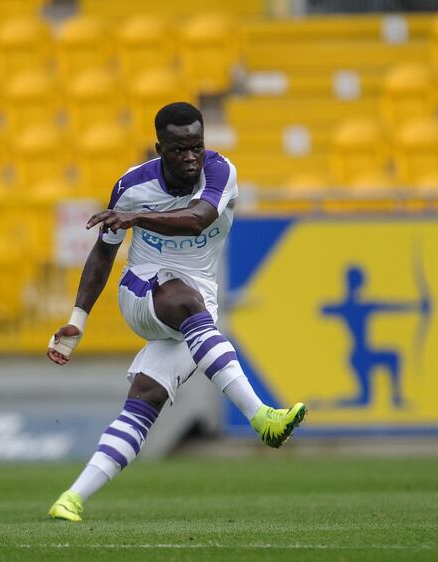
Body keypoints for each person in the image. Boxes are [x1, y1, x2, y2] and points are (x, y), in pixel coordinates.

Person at [45, 102, 307, 522]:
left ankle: (71, 499)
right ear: (158, 148)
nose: (191, 157)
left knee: (145, 399)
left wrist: (136, 218)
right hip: (143, 292)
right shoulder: (131, 187)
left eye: (197, 147)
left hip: (195, 307)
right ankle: (262, 418)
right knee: (184, 299)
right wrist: (77, 320)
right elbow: (102, 254)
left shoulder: (220, 172)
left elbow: (199, 219)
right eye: (180, 149)